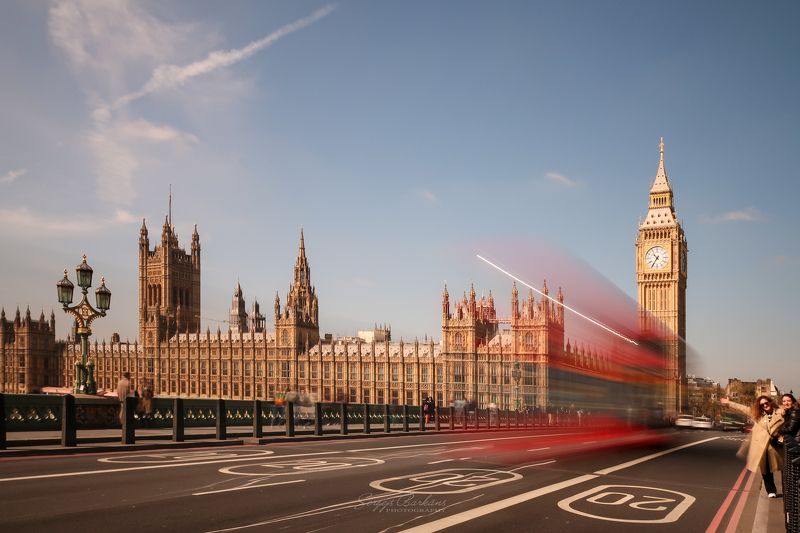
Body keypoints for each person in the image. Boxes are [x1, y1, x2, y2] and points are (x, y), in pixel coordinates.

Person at [721, 395, 784, 497]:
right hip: (761, 446)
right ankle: (771, 491)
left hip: (775, 445)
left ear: (770, 402)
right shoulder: (757, 415)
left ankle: (789, 493)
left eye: (766, 403)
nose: (765, 405)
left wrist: (782, 437)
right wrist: (729, 403)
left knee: (784, 469)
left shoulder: (781, 413)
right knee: (765, 469)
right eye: (762, 405)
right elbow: (744, 409)